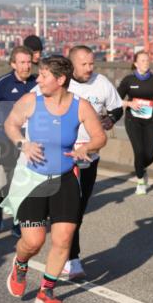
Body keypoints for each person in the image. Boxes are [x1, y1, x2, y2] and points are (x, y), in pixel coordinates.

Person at [0, 56, 106, 303]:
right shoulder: (31, 101)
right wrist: (23, 143)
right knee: (33, 242)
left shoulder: (80, 106)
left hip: (66, 178)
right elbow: (10, 124)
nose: (37, 79)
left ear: (60, 80)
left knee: (63, 238)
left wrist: (86, 148)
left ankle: (46, 291)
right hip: (32, 180)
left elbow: (100, 136)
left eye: (43, 76)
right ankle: (21, 264)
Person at [60, 45, 123, 279]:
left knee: (79, 208)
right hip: (65, 156)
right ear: (72, 64)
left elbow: (117, 107)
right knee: (70, 208)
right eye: (84, 64)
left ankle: (67, 251)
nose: (89, 68)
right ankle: (72, 257)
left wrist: (110, 120)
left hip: (90, 156)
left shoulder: (101, 83)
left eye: (91, 63)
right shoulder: (62, 83)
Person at [0, 44, 36, 234]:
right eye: (22, 62)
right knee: (15, 180)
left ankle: (5, 209)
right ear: (13, 64)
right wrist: (5, 121)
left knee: (26, 181)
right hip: (6, 141)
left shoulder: (37, 83)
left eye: (29, 62)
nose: (26, 66)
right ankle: (13, 219)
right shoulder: (3, 82)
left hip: (30, 142)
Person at [117, 51, 153, 195]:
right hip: (133, 120)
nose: (146, 62)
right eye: (142, 60)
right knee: (139, 151)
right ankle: (140, 181)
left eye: (147, 60)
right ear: (136, 64)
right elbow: (116, 99)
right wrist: (129, 103)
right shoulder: (128, 80)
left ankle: (142, 169)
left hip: (151, 120)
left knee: (150, 154)